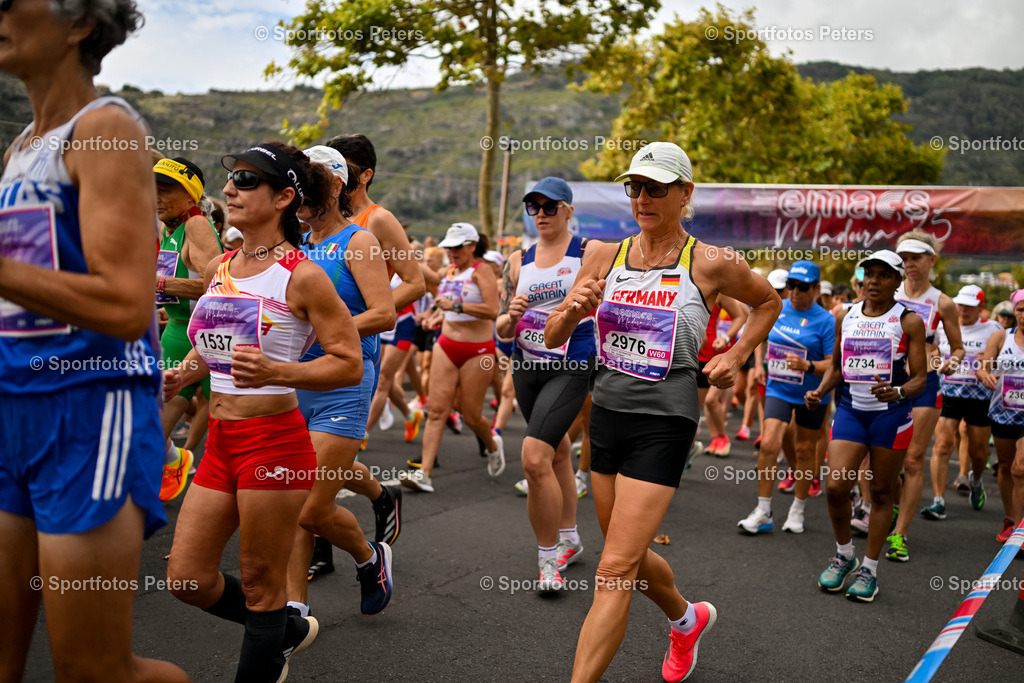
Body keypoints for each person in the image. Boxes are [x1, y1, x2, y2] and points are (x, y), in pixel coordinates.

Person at [0, 1, 189, 680]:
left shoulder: (105, 129)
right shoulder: (21, 146)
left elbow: (123, 300)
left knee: (93, 669)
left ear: (78, 22)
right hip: (12, 410)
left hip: (89, 412)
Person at [544, 142, 781, 682]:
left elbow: (769, 302)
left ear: (685, 193)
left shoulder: (714, 262)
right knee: (625, 554)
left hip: (666, 419)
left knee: (615, 568)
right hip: (605, 413)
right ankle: (686, 618)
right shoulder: (605, 254)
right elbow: (556, 335)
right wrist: (573, 308)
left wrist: (737, 353)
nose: (643, 198)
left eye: (656, 187)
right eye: (635, 187)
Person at [164, 142, 365, 682]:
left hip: (275, 442)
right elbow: (212, 345)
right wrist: (183, 373)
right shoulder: (224, 266)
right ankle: (284, 630)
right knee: (186, 578)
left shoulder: (303, 275)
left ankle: (269, 637)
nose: (230, 189)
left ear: (282, 198)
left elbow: (348, 364)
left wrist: (283, 373)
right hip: (221, 442)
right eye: (232, 180)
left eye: (247, 181)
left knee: (259, 580)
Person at [284, 145, 398, 620]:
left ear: (335, 186)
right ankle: (292, 614)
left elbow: (384, 312)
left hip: (345, 382)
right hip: (293, 380)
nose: (300, 197)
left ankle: (371, 558)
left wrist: (330, 328)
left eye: (310, 184)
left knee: (311, 510)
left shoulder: (359, 241)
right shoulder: (293, 246)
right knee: (292, 502)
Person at [805, 250, 927, 603]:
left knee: (881, 493)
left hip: (891, 414)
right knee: (835, 487)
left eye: (883, 275)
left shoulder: (909, 321)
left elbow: (921, 377)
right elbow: (838, 366)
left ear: (897, 281)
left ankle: (869, 570)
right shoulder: (846, 314)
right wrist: (820, 390)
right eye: (869, 274)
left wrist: (899, 390)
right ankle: (845, 554)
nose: (874, 281)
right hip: (852, 410)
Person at [495, 177, 596, 592]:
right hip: (527, 365)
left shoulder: (590, 252)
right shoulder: (517, 260)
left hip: (572, 363)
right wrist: (511, 315)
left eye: (550, 207)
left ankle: (548, 559)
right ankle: (571, 538)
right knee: (555, 456)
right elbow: (500, 328)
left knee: (534, 458)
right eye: (533, 207)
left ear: (569, 210)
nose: (540, 215)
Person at [402, 223, 504, 492]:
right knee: (436, 410)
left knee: (471, 415)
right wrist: (431, 317)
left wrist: (457, 306)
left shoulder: (482, 272)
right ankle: (424, 473)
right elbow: (443, 303)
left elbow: (493, 310)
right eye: (449, 247)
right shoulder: (448, 272)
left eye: (457, 247)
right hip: (446, 345)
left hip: (477, 351)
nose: (452, 252)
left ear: (472, 246)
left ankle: (493, 445)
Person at [738, 261, 835, 535]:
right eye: (790, 285)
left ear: (816, 289)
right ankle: (763, 510)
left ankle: (798, 508)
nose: (794, 292)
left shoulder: (826, 320)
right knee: (768, 444)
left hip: (811, 394)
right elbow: (759, 337)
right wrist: (758, 365)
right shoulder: (777, 308)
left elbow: (834, 365)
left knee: (805, 450)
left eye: (802, 287)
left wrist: (809, 367)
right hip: (778, 388)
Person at [889, 231, 963, 561]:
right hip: (890, 384)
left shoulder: (942, 302)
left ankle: (899, 534)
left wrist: (952, 361)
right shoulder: (889, 292)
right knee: (884, 460)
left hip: (926, 385)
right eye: (904, 259)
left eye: (916, 258)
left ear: (932, 260)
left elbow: (958, 347)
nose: (909, 265)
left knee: (913, 458)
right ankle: (890, 504)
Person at [154, 156, 224, 501]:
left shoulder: (195, 225)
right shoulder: (168, 229)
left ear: (190, 196)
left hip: (207, 336)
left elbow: (218, 284)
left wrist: (161, 285)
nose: (156, 196)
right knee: (150, 429)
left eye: (165, 190)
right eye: (153, 188)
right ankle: (174, 459)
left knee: (232, 434)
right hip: (175, 333)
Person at [918, 285, 1003, 536]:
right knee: (942, 445)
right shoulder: (944, 325)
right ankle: (938, 500)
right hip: (949, 393)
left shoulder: (993, 329)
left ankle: (976, 481)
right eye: (960, 304)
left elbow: (1003, 360)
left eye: (968, 305)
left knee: (978, 452)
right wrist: (937, 363)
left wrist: (985, 362)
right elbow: (929, 351)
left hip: (979, 396)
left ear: (980, 307)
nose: (962, 310)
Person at [977, 289, 1024, 542]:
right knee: (1006, 467)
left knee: (1020, 467)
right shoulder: (1000, 337)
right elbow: (984, 366)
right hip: (1003, 412)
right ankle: (1011, 518)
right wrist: (984, 374)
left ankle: (1019, 530)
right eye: (1020, 310)